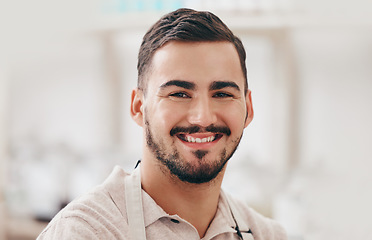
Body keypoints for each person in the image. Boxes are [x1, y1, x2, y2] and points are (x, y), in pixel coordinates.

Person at [37, 8, 287, 240]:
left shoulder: (267, 234)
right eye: (179, 94)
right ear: (138, 107)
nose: (203, 117)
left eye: (222, 94)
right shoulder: (85, 231)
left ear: (248, 108)